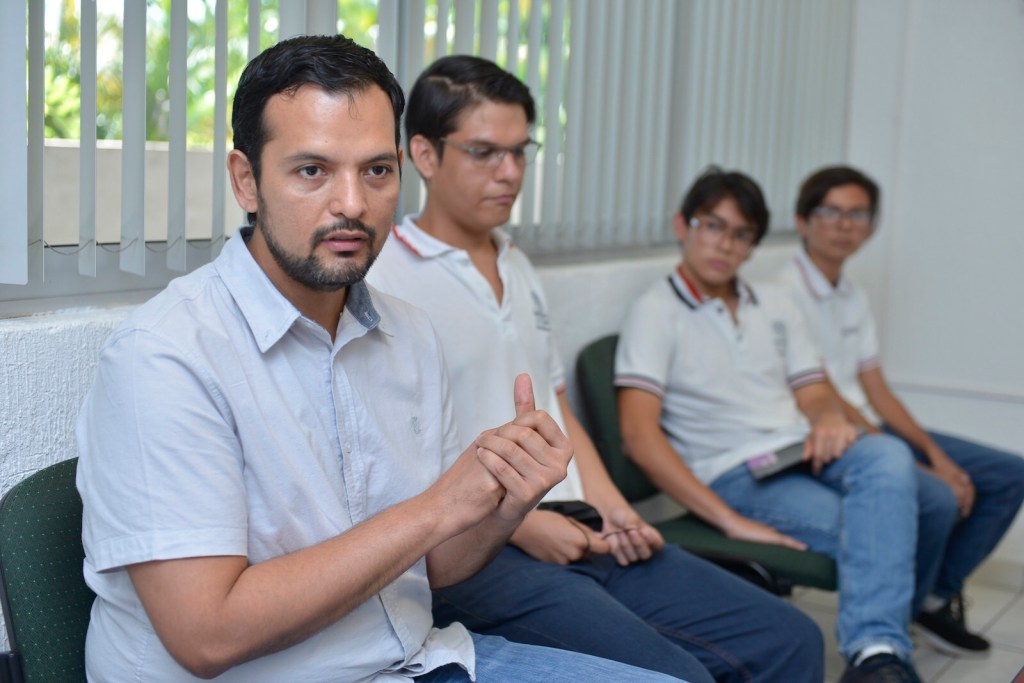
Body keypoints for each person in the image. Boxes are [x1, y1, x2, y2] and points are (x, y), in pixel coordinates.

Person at [75, 35, 684, 683]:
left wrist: (506, 500)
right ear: (246, 180)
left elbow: (440, 564)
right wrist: (438, 507)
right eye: (312, 171)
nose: (352, 204)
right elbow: (207, 634)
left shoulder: (408, 335)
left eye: (375, 171)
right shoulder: (165, 357)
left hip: (415, 659)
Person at [367, 56, 823, 683]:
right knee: (679, 675)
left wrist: (615, 508)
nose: (510, 172)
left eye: (519, 152)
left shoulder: (517, 263)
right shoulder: (384, 276)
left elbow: (556, 403)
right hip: (484, 551)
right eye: (484, 152)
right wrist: (523, 524)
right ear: (423, 153)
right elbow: (394, 457)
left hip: (584, 525)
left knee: (791, 637)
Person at [615, 166, 933, 683]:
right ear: (682, 226)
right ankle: (877, 653)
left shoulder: (775, 303)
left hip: (803, 448)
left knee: (889, 455)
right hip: (738, 471)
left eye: (741, 234)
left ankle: (878, 649)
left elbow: (813, 390)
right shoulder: (655, 312)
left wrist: (828, 417)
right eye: (712, 225)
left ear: (753, 245)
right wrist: (728, 520)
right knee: (879, 523)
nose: (725, 244)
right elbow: (638, 436)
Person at [776, 164, 1024, 656]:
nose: (845, 225)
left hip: (869, 424)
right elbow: (824, 393)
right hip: (827, 431)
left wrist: (935, 452)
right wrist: (917, 464)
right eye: (831, 212)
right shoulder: (782, 294)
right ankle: (894, 622)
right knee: (938, 493)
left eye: (858, 214)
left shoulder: (852, 293)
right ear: (803, 220)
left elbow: (875, 386)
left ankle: (930, 598)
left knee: (1008, 474)